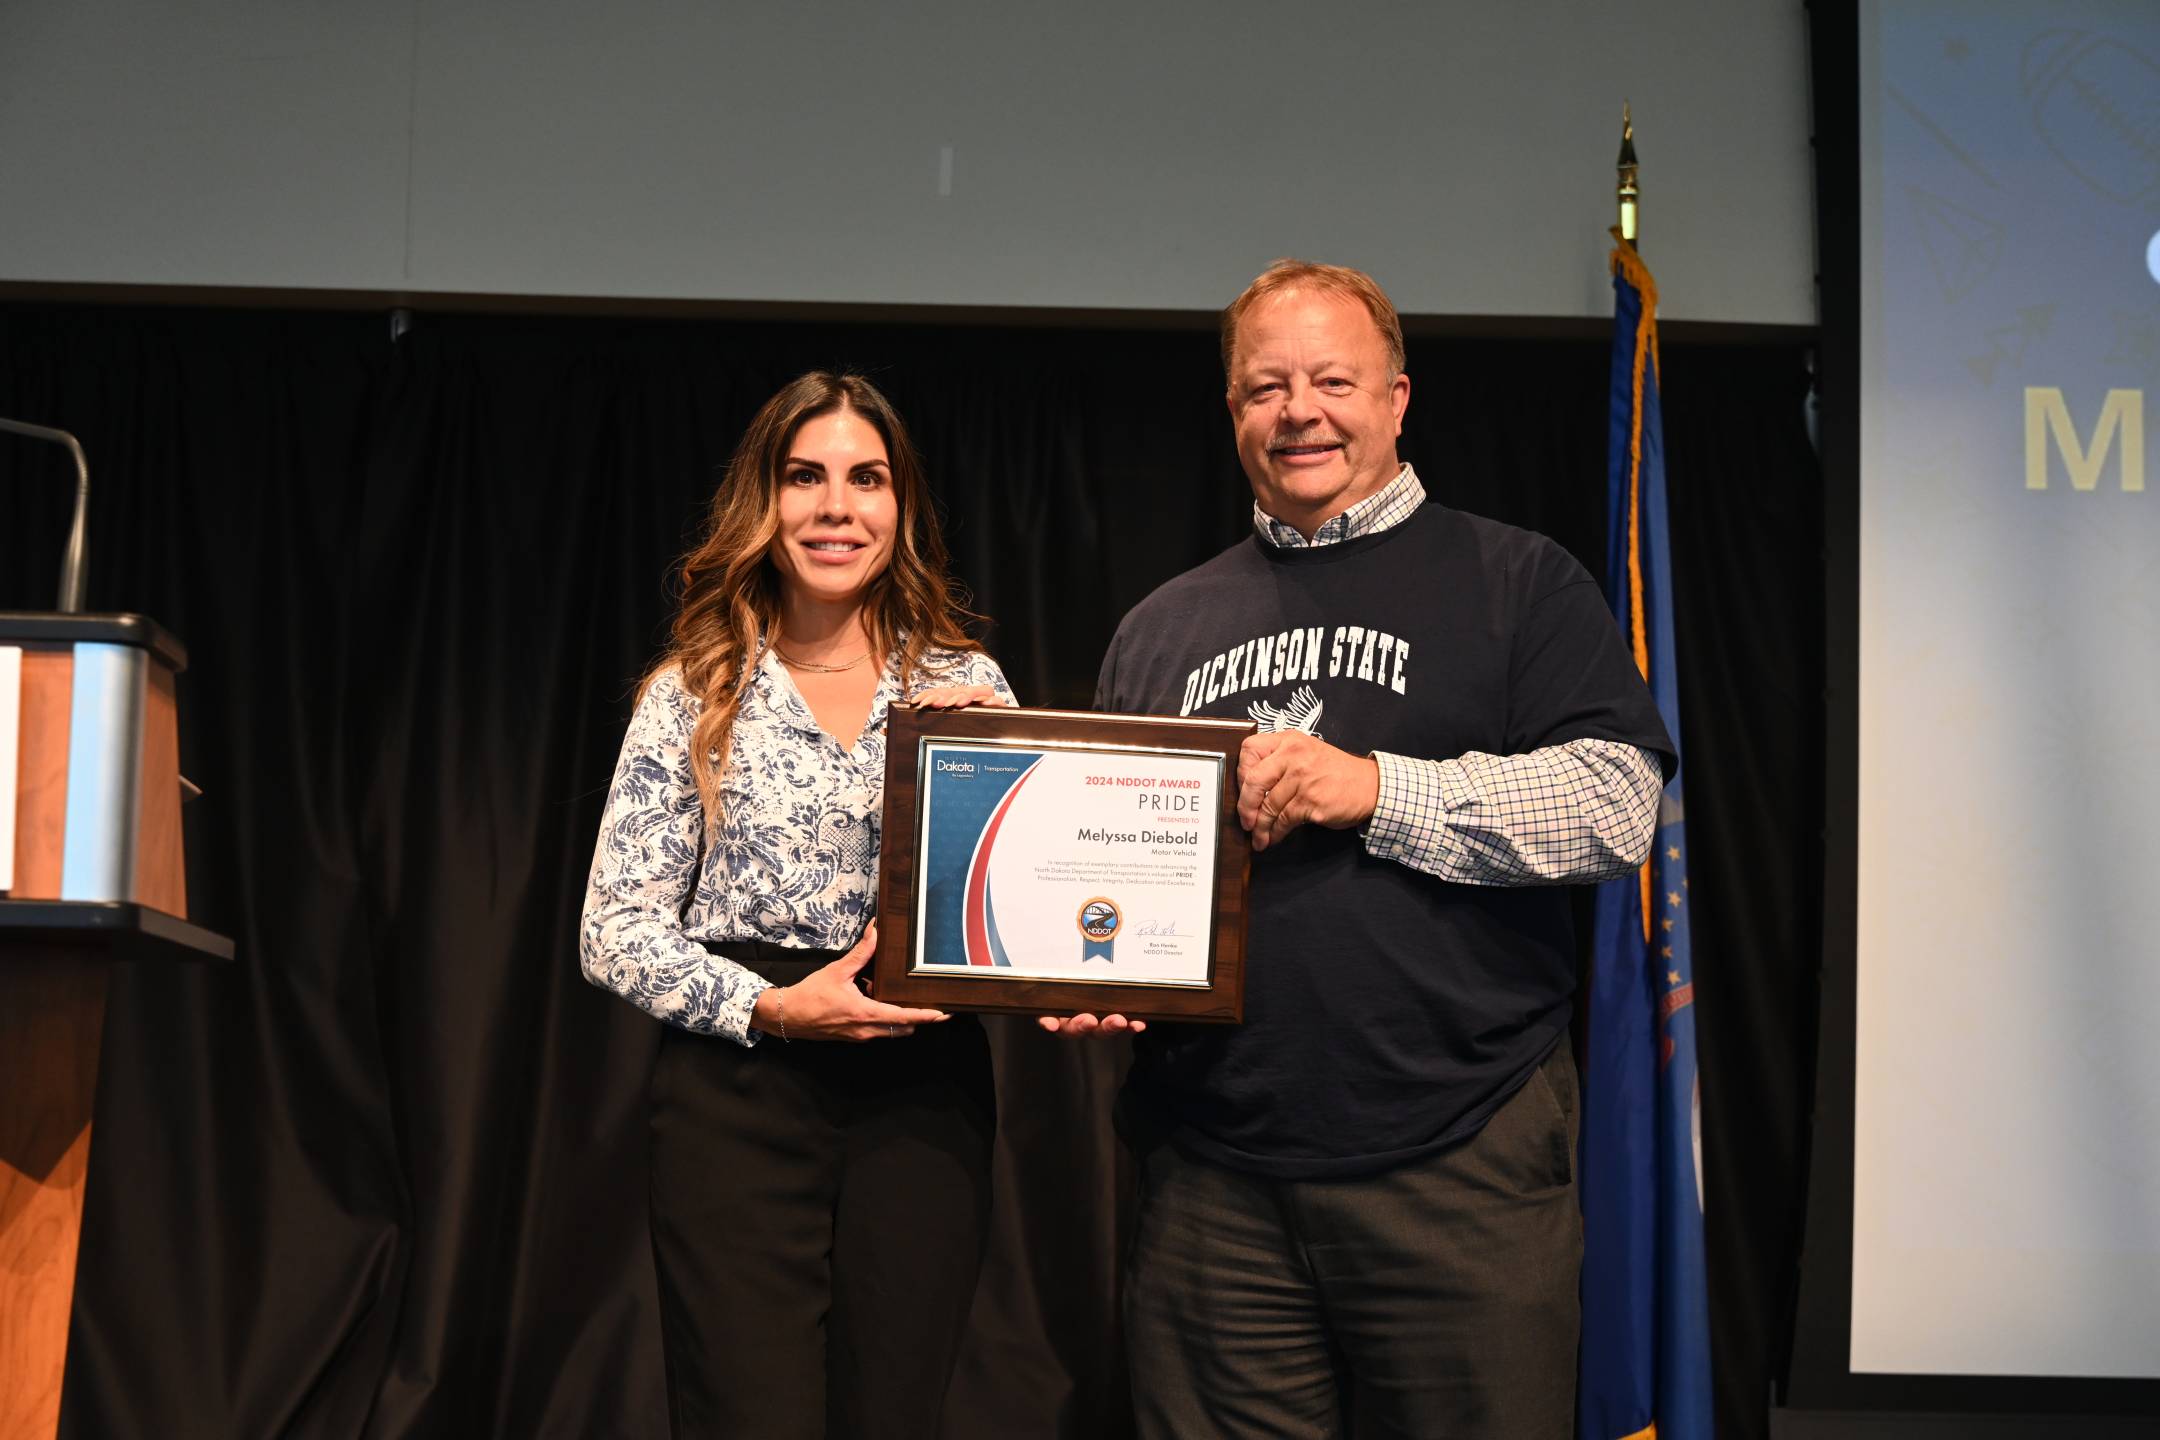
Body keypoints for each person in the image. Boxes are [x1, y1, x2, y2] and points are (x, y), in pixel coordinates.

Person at [1050, 261, 1677, 1438]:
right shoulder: (1162, 628)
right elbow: (1126, 870)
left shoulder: (1516, 583)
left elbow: (1614, 803)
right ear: (1232, 410)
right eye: (1264, 387)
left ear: (1396, 397)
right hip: (1214, 1181)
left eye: (1332, 380)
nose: (1300, 412)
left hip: (1459, 1166)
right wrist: (1101, 973)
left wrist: (1371, 789)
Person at [580, 371, 1013, 1440]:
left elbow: (1016, 909)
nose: (836, 507)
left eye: (866, 479)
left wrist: (990, 755)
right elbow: (614, 929)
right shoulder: (695, 687)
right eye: (803, 477)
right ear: (762, 504)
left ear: (900, 505)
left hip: (921, 1090)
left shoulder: (967, 685)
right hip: (740, 1090)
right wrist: (771, 1009)